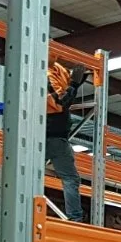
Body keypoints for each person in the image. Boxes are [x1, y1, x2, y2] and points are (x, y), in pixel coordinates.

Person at [46, 61, 91, 222]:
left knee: (29, 174)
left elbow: (62, 96)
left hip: (47, 136)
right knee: (70, 178)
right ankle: (75, 218)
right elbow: (60, 102)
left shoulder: (51, 71)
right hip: (53, 137)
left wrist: (76, 83)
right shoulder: (45, 74)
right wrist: (74, 84)